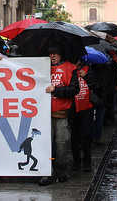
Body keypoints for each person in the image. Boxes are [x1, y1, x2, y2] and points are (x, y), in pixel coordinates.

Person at [40, 45, 79, 186]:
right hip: (43, 115)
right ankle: (47, 172)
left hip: (62, 114)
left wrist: (56, 90)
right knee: (45, 145)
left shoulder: (70, 68)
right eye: (50, 53)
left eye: (56, 53)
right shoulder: (41, 67)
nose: (53, 56)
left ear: (61, 54)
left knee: (62, 144)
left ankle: (62, 171)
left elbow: (74, 89)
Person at [71, 58, 98, 172]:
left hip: (87, 108)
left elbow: (96, 86)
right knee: (74, 137)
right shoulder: (70, 71)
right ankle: (76, 162)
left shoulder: (89, 70)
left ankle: (87, 162)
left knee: (86, 136)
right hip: (73, 108)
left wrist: (86, 76)